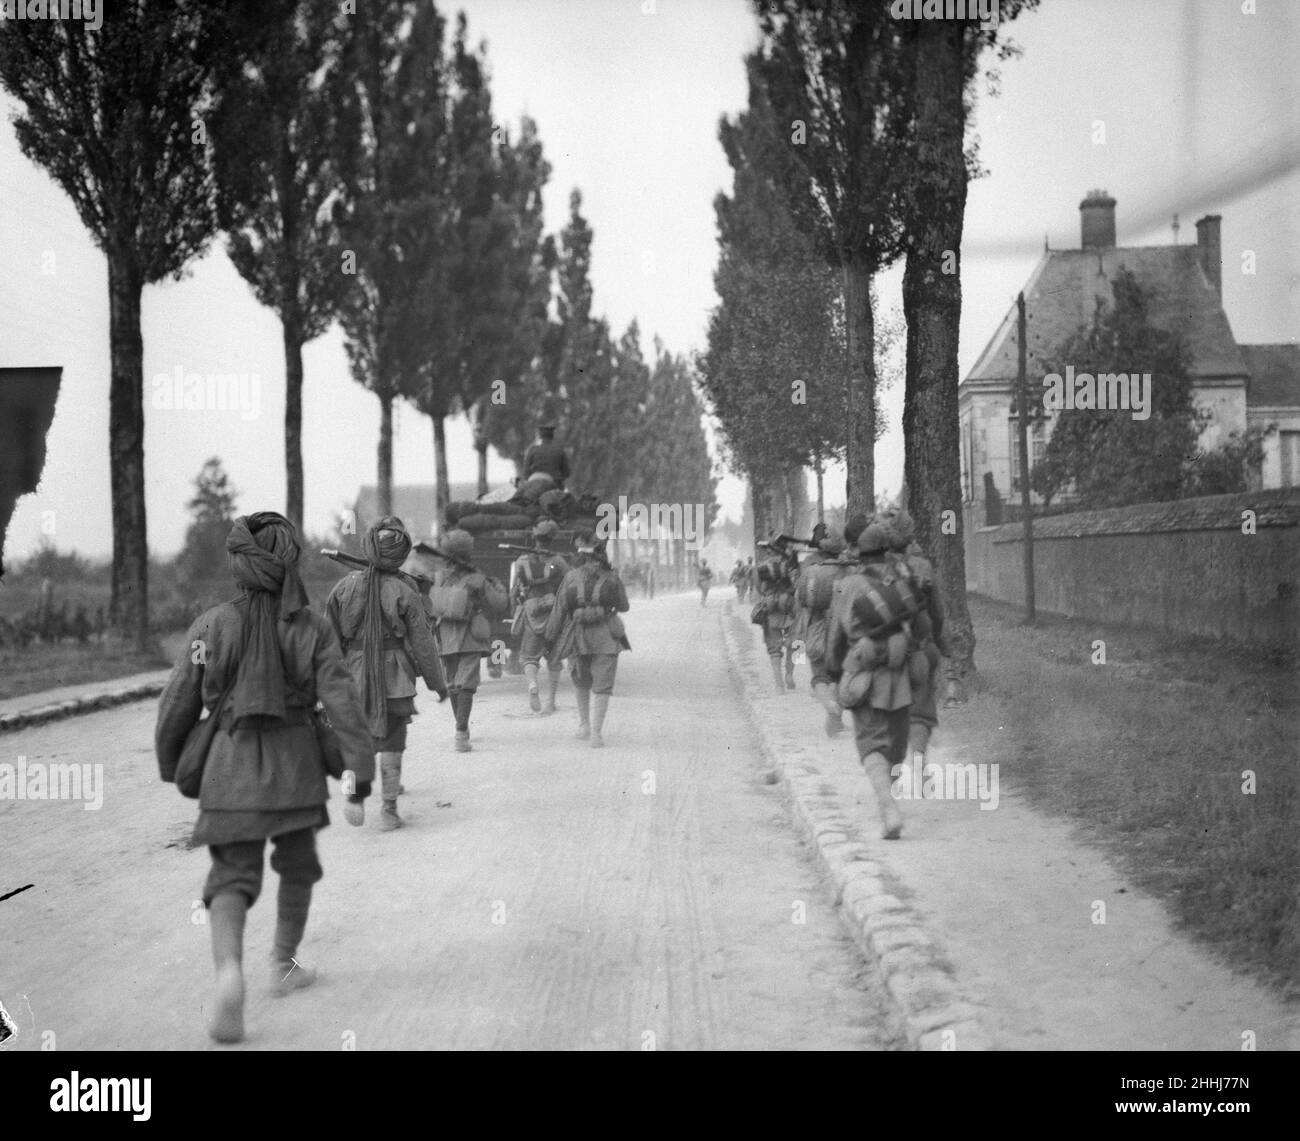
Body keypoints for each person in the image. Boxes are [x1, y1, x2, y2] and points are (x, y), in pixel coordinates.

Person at [155, 512, 375, 1045]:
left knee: (231, 876)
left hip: (228, 772)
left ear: (238, 564)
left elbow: (180, 700)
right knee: (298, 864)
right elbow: (342, 703)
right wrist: (358, 774)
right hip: (295, 768)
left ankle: (229, 972)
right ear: (290, 559)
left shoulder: (210, 627)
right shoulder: (312, 627)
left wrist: (172, 761)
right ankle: (282, 962)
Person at [326, 516, 448, 831]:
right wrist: (438, 684)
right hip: (395, 676)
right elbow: (424, 644)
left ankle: (352, 795)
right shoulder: (405, 590)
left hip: (353, 673)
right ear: (402, 551)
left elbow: (329, 640)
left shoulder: (345, 586)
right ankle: (389, 810)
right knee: (393, 741)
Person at [826, 523, 920, 840]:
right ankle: (888, 797)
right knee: (895, 745)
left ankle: (888, 808)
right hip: (899, 671)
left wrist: (832, 673)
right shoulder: (902, 577)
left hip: (864, 672)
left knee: (870, 743)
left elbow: (836, 634)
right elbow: (920, 627)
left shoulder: (848, 584)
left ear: (859, 552)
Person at [878, 508, 951, 778]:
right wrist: (942, 643)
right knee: (920, 709)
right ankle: (919, 766)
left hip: (885, 652)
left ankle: (890, 773)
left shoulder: (873, 568)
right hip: (919, 647)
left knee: (887, 711)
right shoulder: (922, 566)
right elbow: (938, 613)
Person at [428, 529, 510, 753]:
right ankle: (461, 731)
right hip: (470, 637)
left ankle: (460, 729)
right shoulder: (477, 578)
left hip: (444, 635)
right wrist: (498, 586)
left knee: (454, 683)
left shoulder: (437, 577)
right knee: (467, 684)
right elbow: (498, 604)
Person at [545, 537, 630, 747]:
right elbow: (624, 605)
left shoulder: (571, 577)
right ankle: (596, 733)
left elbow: (559, 610)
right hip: (606, 636)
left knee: (580, 681)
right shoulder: (612, 577)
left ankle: (583, 725)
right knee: (602, 685)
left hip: (577, 636)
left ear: (580, 556)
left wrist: (549, 638)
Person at [794, 528, 850, 736]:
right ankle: (835, 715)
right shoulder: (849, 570)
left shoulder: (810, 569)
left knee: (819, 677)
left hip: (817, 628)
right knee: (841, 675)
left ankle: (829, 707)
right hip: (843, 629)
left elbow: (801, 598)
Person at [512, 519, 570, 715]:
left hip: (531, 613)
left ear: (534, 538)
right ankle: (551, 702)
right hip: (554, 614)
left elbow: (515, 592)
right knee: (554, 659)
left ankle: (532, 685)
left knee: (528, 657)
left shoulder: (521, 561)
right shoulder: (558, 561)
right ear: (551, 539)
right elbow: (568, 586)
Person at [754, 537, 800, 693]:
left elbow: (759, 589)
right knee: (796, 643)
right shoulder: (792, 565)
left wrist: (768, 595)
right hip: (789, 607)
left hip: (770, 609)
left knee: (774, 649)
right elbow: (797, 585)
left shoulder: (762, 567)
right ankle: (790, 675)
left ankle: (779, 685)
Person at [523, 424, 571, 490]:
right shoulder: (560, 450)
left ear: (540, 436)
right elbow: (567, 473)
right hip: (555, 485)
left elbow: (525, 474)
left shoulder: (532, 450)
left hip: (535, 485)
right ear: (552, 436)